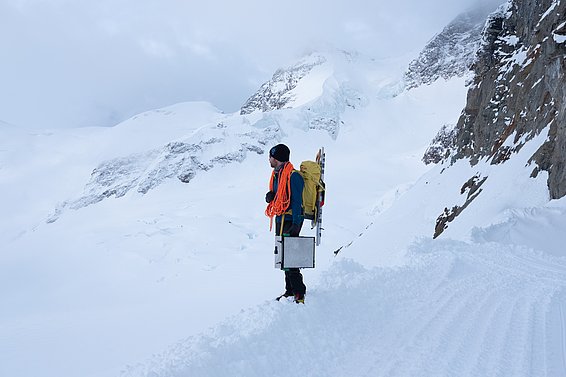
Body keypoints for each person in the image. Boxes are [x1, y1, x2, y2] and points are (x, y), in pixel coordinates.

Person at [265, 143, 306, 303]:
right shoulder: (278, 175)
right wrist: (271, 196)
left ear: (277, 158)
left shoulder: (293, 176)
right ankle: (289, 290)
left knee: (291, 256)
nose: (269, 159)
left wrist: (297, 224)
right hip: (280, 218)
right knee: (283, 256)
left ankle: (299, 292)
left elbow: (297, 202)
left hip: (290, 220)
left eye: (271, 157)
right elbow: (281, 196)